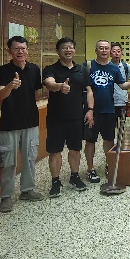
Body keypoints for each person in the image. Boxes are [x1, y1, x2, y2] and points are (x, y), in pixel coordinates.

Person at [0, 36, 43, 212]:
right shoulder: (1, 71)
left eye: (23, 48)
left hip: (31, 121)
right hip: (9, 123)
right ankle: (6, 196)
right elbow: (0, 96)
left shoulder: (34, 69)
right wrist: (10, 86)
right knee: (8, 161)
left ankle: (27, 190)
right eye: (16, 49)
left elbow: (35, 93)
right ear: (9, 51)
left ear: (27, 50)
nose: (20, 51)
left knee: (30, 158)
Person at [42, 38, 94, 198]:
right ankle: (55, 181)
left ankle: (74, 176)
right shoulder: (51, 69)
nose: (68, 50)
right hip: (56, 118)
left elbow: (89, 90)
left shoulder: (81, 70)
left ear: (74, 50)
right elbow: (49, 83)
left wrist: (90, 109)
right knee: (55, 151)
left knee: (75, 149)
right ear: (58, 51)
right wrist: (60, 86)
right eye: (64, 48)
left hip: (76, 117)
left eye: (71, 47)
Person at [84, 40, 130, 183]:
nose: (104, 51)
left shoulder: (114, 68)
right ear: (96, 50)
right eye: (101, 48)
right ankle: (90, 169)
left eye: (106, 48)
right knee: (90, 141)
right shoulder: (88, 66)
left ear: (109, 51)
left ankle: (109, 165)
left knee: (109, 140)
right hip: (91, 111)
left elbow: (122, 85)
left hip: (109, 110)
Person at [110, 42, 130, 122]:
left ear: (122, 53)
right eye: (114, 51)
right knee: (110, 125)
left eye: (118, 51)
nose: (116, 53)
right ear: (110, 53)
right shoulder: (107, 66)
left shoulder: (125, 66)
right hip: (109, 101)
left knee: (123, 125)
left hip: (122, 100)